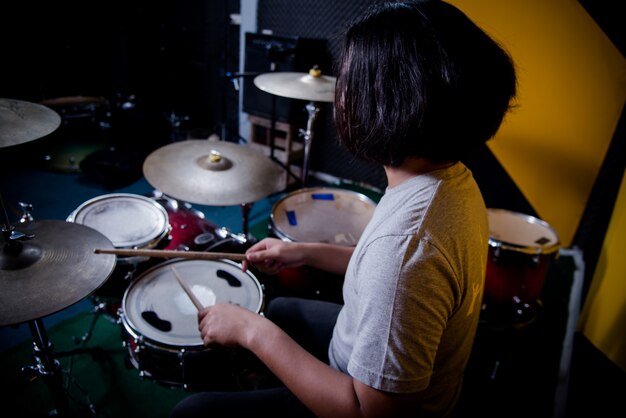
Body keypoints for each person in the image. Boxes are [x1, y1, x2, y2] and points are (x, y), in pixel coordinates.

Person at [170, 0, 516, 416]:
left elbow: (364, 411)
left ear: (391, 104)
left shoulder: (404, 250)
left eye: (349, 81)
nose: (340, 95)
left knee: (191, 413)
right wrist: (304, 252)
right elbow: (389, 272)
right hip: (373, 357)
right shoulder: (449, 180)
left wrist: (250, 332)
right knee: (278, 308)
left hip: (364, 400)